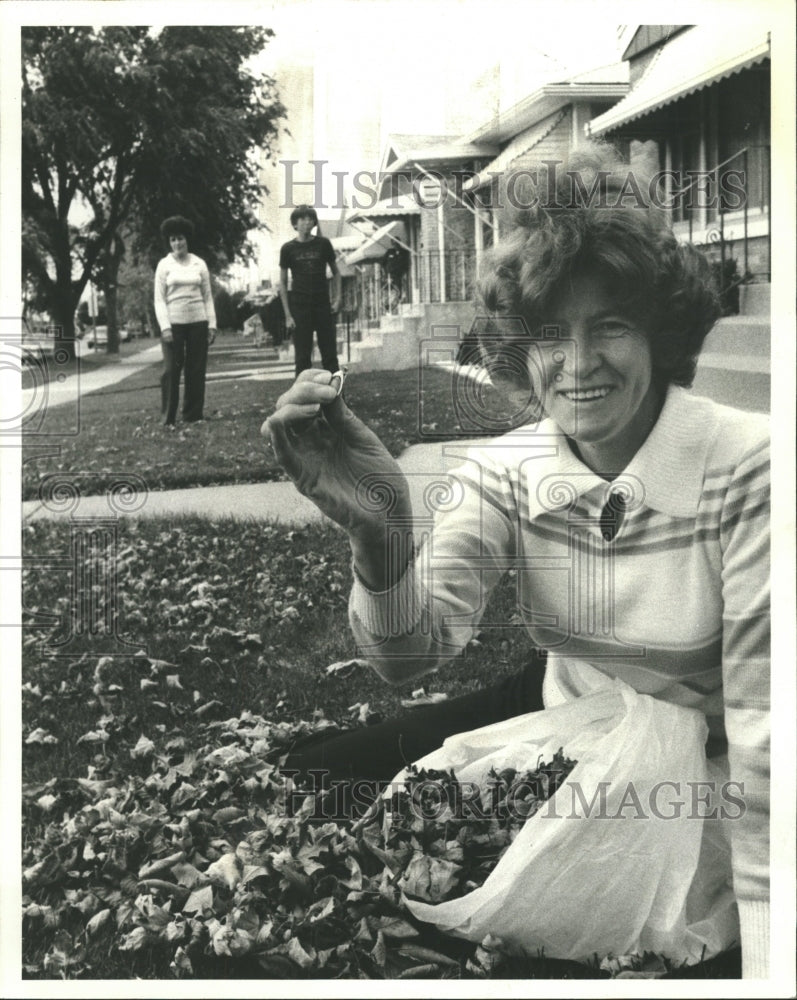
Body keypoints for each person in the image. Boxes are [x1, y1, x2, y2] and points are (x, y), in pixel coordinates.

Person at [262, 145, 769, 978]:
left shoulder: (750, 467)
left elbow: (764, 735)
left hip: (703, 758)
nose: (577, 364)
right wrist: (381, 538)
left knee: (591, 948)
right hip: (567, 709)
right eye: (547, 332)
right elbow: (408, 657)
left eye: (609, 323)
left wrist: (769, 952)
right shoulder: (505, 467)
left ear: (660, 330)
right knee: (314, 775)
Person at [154, 215, 217, 425]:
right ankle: (168, 417)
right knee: (171, 370)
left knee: (196, 369)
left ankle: (193, 415)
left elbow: (208, 297)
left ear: (186, 239)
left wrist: (212, 325)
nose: (177, 243)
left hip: (198, 322)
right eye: (172, 240)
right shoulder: (164, 265)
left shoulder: (199, 263)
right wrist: (165, 328)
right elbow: (159, 300)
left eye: (180, 238)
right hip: (174, 325)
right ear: (168, 242)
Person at [279, 205, 341, 376]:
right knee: (302, 358)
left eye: (310, 219)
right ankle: (303, 400)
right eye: (302, 219)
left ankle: (337, 398)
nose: (307, 222)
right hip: (299, 308)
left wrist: (337, 299)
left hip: (322, 306)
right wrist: (288, 315)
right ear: (295, 224)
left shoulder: (323, 244)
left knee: (330, 355)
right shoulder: (288, 249)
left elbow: (337, 273)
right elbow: (283, 283)